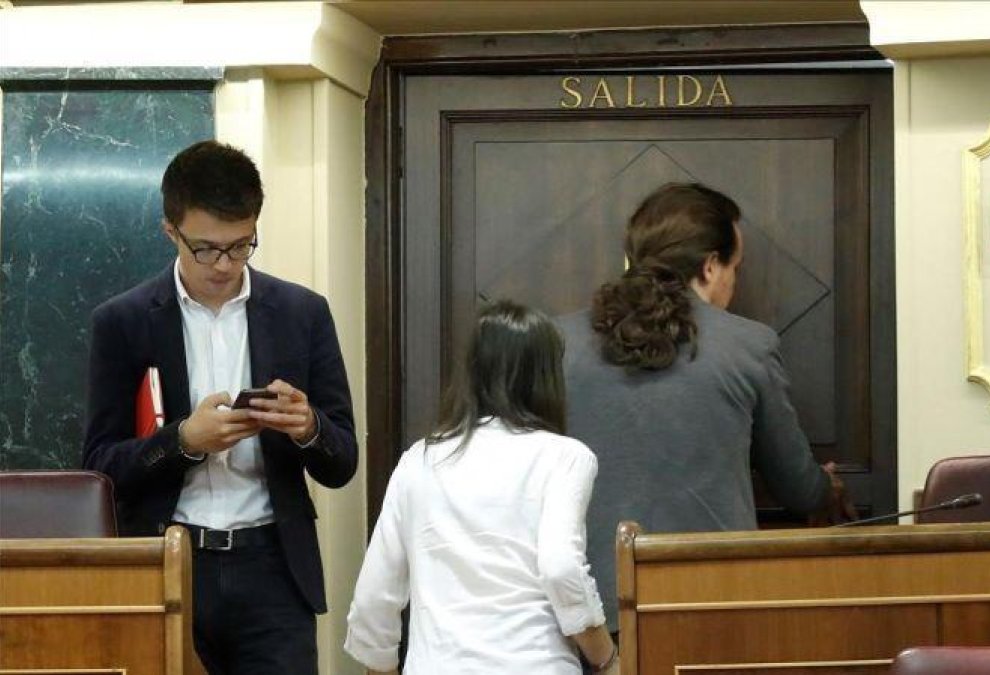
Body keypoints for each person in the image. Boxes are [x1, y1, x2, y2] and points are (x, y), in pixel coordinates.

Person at [82, 140, 357, 674]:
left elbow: (342, 461)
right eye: (206, 248)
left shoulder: (302, 313)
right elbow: (98, 467)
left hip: (274, 568)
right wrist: (183, 442)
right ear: (171, 231)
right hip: (168, 561)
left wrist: (308, 428)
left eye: (240, 246)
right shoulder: (123, 321)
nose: (224, 264)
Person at [556, 182, 836, 632]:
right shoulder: (749, 345)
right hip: (716, 603)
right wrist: (829, 489)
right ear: (709, 267)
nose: (733, 281)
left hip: (591, 611)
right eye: (736, 269)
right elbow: (800, 489)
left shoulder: (560, 343)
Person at [345, 301, 618, 675]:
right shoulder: (565, 457)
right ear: (548, 375)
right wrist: (605, 658)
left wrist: (382, 666)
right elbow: (560, 567)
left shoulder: (419, 461)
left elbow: (374, 595)